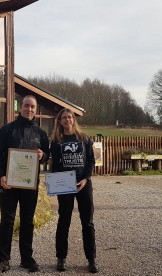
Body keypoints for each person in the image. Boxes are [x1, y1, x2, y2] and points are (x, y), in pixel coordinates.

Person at [0, 95, 50, 275]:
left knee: (27, 221)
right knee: (7, 221)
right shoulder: (7, 130)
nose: (29, 110)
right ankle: (2, 260)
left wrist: (42, 156)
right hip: (9, 184)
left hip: (30, 185)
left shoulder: (41, 133)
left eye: (32, 107)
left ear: (35, 110)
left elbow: (46, 155)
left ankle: (26, 258)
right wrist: (1, 176)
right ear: (20, 107)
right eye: (26, 106)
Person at [50, 108, 98, 273]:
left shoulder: (84, 138)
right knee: (64, 221)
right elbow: (55, 165)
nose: (67, 119)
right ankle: (61, 258)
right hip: (65, 184)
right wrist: (56, 184)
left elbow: (91, 160)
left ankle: (91, 259)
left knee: (88, 222)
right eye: (64, 117)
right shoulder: (56, 140)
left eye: (70, 117)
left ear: (74, 119)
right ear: (60, 120)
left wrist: (86, 178)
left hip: (83, 183)